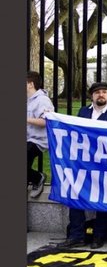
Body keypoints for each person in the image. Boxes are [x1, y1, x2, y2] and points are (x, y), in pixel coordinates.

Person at [60, 81, 107, 249]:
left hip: (105, 165)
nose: (101, 95)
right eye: (97, 92)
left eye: (104, 92)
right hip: (82, 164)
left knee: (102, 198)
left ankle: (99, 235)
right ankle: (76, 235)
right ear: (92, 96)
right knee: (75, 196)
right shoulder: (83, 112)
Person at [26, 71, 54, 199]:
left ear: (30, 84)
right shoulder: (28, 100)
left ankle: (38, 178)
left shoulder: (42, 100)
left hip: (38, 141)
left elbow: (45, 121)